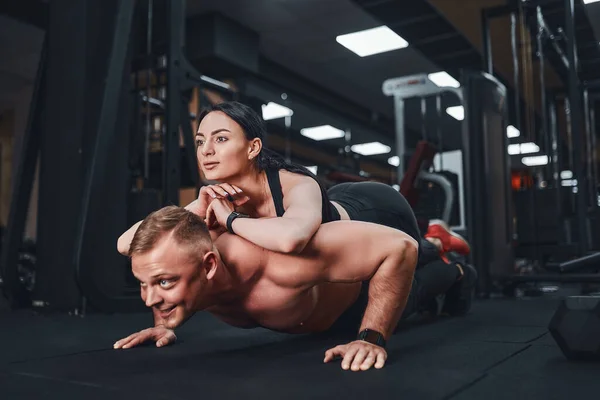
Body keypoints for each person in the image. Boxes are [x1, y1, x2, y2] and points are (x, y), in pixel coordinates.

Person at [117, 101, 471, 273]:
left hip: (375, 207)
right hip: (330, 212)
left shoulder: (294, 182)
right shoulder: (216, 196)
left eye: (220, 139)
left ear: (253, 147)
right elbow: (127, 244)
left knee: (417, 252)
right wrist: (195, 208)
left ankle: (437, 237)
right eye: (199, 142)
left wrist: (227, 220)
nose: (206, 151)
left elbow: (290, 239)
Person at [113, 205, 474, 372]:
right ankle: (437, 246)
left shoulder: (276, 262)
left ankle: (450, 262)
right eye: (144, 285)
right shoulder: (186, 263)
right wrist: (164, 319)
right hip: (323, 293)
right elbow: (134, 248)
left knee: (417, 280)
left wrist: (371, 337)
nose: (150, 297)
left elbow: (398, 249)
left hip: (357, 293)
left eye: (162, 283)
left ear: (209, 266)